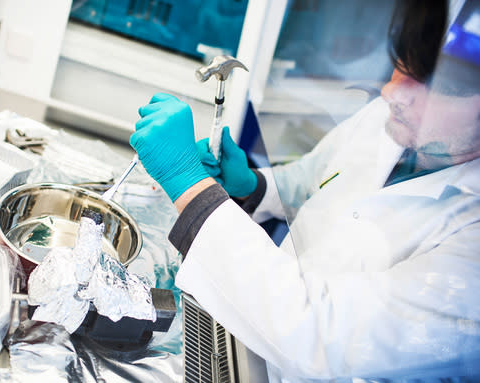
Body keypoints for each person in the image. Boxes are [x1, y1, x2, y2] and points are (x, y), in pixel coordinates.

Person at [130, 0, 480, 381]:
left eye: (440, 84)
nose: (391, 92)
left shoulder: (470, 247)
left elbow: (326, 337)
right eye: (403, 65)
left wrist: (187, 182)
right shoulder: (388, 120)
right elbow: (314, 180)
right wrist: (253, 185)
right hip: (245, 334)